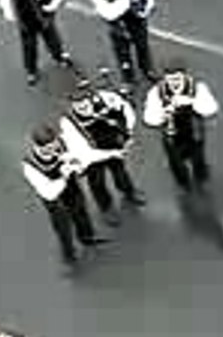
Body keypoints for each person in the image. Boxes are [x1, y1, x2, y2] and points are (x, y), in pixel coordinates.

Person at [59, 78, 146, 228]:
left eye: (85, 103)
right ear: (72, 104)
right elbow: (84, 151)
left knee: (120, 172)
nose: (82, 107)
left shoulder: (105, 100)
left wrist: (128, 133)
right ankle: (106, 208)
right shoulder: (68, 123)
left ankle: (129, 191)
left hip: (113, 146)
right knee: (97, 182)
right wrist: (112, 154)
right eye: (78, 105)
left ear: (89, 98)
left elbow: (125, 109)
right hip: (91, 156)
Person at [22, 125, 106, 273]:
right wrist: (64, 175)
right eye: (48, 149)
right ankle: (69, 253)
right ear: (38, 147)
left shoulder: (62, 143)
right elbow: (49, 192)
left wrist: (77, 164)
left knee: (80, 209)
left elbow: (79, 158)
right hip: (53, 195)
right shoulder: (30, 165)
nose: (54, 150)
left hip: (70, 186)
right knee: (62, 224)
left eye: (55, 145)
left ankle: (87, 237)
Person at [142, 59, 219, 193]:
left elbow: (211, 109)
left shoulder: (197, 87)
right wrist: (163, 113)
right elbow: (149, 119)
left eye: (177, 78)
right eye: (170, 79)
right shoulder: (156, 92)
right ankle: (184, 183)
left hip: (193, 130)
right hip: (172, 133)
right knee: (175, 160)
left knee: (198, 157)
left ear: (184, 75)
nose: (174, 83)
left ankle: (201, 178)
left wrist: (191, 102)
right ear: (165, 78)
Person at [0, 0, 72, 87]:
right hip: (25, 21)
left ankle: (59, 56)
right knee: (29, 47)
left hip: (43, 16)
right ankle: (31, 70)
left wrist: (52, 4)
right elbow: (5, 1)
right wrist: (9, 15)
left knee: (53, 39)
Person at [88, 0, 156, 86]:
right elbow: (109, 13)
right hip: (118, 24)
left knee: (142, 46)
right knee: (122, 52)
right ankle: (128, 77)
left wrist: (144, 6)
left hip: (136, 19)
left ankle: (147, 69)